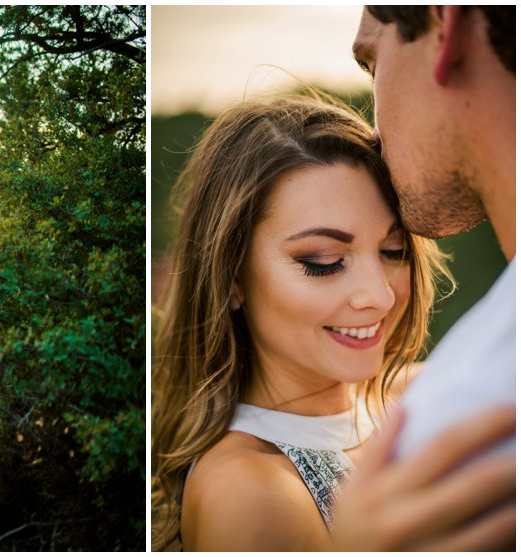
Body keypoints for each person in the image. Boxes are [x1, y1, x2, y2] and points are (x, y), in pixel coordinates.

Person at [151, 94, 455, 550]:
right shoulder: (248, 493)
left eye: (392, 251)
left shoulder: (426, 397)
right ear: (233, 279)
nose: (379, 295)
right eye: (324, 261)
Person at [331, 6, 516, 550]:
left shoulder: (449, 444)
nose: (374, 129)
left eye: (371, 64)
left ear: (444, 24)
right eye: (322, 260)